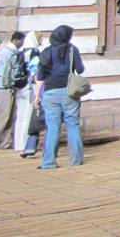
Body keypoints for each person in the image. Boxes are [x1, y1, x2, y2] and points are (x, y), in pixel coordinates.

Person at [34, 25, 85, 169]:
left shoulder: (47, 51)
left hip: (50, 92)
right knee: (73, 125)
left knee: (52, 127)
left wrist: (37, 95)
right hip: (69, 91)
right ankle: (76, 160)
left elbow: (40, 76)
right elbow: (80, 69)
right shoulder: (72, 50)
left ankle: (48, 162)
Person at [14, 31, 41, 153]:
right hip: (29, 86)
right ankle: (24, 144)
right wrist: (37, 90)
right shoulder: (34, 52)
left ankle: (17, 143)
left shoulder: (21, 51)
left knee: (20, 115)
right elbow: (33, 71)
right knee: (28, 115)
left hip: (19, 85)